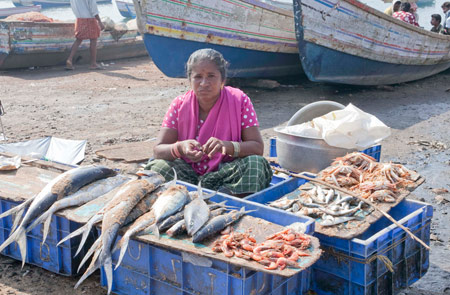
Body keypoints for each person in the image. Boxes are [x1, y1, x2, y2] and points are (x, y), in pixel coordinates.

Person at [145, 48, 272, 196]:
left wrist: (227, 146)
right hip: (188, 175)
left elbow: (257, 148)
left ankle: (229, 200)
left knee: (256, 164)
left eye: (211, 76)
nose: (204, 83)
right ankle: (195, 195)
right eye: (198, 77)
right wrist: (180, 147)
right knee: (157, 168)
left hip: (226, 173)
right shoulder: (179, 104)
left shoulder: (239, 100)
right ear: (190, 80)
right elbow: (158, 150)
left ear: (222, 80)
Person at [65, 0, 105, 70]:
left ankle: (70, 59)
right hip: (90, 19)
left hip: (79, 19)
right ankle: (93, 63)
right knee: (93, 39)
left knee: (79, 39)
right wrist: (99, 21)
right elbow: (94, 9)